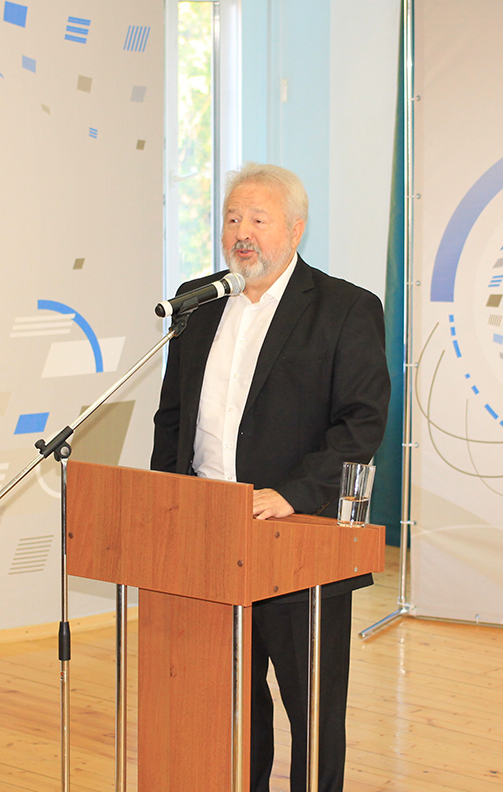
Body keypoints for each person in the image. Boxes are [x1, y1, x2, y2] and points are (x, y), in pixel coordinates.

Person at [151, 163, 390, 792]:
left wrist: (293, 494)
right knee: (228, 701)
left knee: (311, 710)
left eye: (259, 219)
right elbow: (171, 418)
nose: (242, 233)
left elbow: (361, 424)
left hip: (295, 539)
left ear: (296, 229)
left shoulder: (345, 308)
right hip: (207, 532)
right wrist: (168, 502)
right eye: (233, 218)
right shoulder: (198, 303)